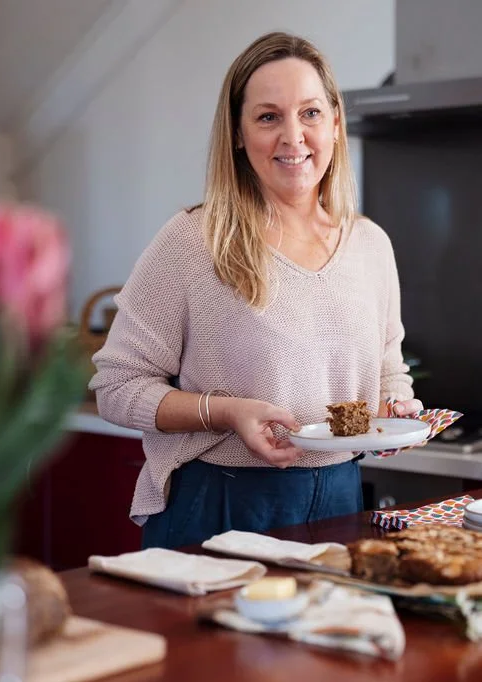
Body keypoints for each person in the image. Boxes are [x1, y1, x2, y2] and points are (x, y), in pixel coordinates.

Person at [89, 31, 421, 550]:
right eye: (269, 117)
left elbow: (386, 370)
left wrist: (397, 410)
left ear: (335, 122)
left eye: (310, 112)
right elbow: (116, 387)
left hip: (340, 498)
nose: (294, 137)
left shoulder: (370, 245)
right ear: (239, 135)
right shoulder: (193, 242)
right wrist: (227, 412)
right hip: (219, 502)